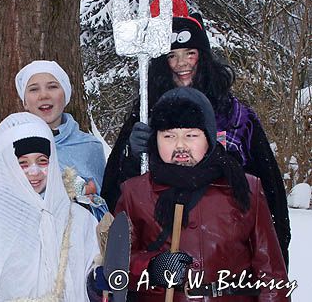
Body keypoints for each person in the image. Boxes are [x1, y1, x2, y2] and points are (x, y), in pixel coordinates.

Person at [101, 0, 291, 266]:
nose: (182, 64)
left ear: (203, 57)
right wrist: (130, 155)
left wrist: (276, 263)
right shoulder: (146, 112)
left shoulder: (237, 118)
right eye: (171, 56)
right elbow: (117, 200)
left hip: (227, 258)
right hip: (161, 261)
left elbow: (270, 199)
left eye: (190, 53)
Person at [115, 87, 290, 301]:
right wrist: (150, 267)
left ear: (209, 137)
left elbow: (271, 274)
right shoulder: (134, 193)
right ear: (155, 139)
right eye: (168, 136)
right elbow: (116, 266)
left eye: (191, 135)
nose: (180, 145)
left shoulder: (245, 189)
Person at [0, 112, 100, 301]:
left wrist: (97, 280)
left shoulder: (79, 219)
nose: (35, 172)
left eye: (42, 161)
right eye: (23, 163)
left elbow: (92, 273)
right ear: (6, 165)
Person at [15, 60, 108, 220]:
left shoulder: (89, 147)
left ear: (65, 95)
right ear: (24, 101)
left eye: (52, 87)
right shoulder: (9, 146)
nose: (44, 95)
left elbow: (102, 206)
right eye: (34, 89)